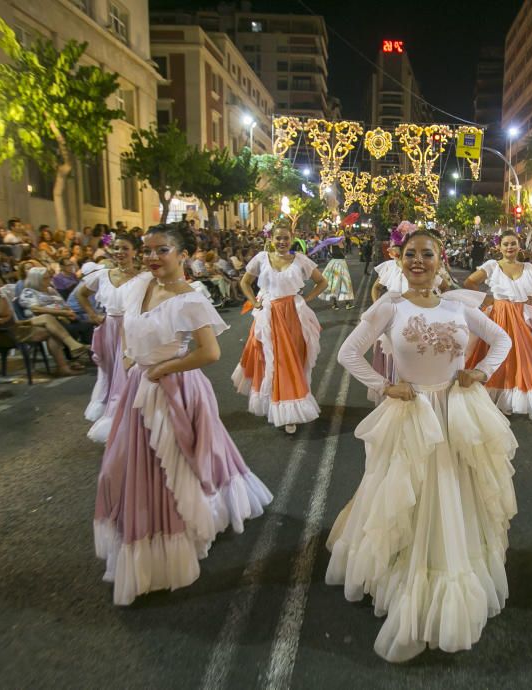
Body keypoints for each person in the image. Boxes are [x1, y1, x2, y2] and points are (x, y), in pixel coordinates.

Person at [327, 230, 516, 662]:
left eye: (426, 254)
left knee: (452, 489)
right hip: (412, 411)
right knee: (403, 488)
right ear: (399, 259)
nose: (418, 261)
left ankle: (444, 570)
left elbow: (503, 340)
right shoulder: (389, 306)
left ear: (440, 259)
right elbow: (349, 353)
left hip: (455, 411)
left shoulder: (458, 304)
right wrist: (384, 385)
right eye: (410, 254)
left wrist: (481, 371)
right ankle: (401, 570)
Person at [94, 222, 272, 606]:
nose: (152, 257)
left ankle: (170, 540)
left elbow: (209, 353)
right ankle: (150, 540)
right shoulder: (139, 286)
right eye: (148, 250)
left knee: (170, 467)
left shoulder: (190, 297)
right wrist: (131, 358)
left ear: (183, 255)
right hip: (139, 387)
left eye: (162, 250)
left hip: (173, 388)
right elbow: (126, 326)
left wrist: (162, 369)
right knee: (123, 466)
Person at [232, 226, 327, 434]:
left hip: (294, 316)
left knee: (292, 360)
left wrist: (305, 299)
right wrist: (254, 303)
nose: (282, 242)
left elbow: (322, 282)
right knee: (272, 361)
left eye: (286, 238)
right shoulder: (260, 258)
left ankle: (290, 408)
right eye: (278, 238)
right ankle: (278, 406)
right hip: (268, 316)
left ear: (292, 238)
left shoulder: (301, 260)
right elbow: (245, 282)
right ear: (271, 238)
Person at [464, 231, 532, 419]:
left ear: (519, 246)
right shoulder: (492, 266)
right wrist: (486, 300)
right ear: (499, 247)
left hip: (519, 317)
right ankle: (488, 395)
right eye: (505, 244)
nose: (509, 247)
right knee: (493, 353)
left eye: (513, 243)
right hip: (498, 316)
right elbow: (470, 281)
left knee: (521, 357)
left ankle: (511, 397)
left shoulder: (528, 268)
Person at [76, 233, 141, 443]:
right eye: (117, 248)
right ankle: (113, 413)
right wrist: (93, 315)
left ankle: (128, 416)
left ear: (135, 251)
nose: (120, 252)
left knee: (128, 372)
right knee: (110, 371)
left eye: (125, 248)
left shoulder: (143, 277)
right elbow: (81, 294)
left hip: (132, 329)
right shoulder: (102, 275)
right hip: (108, 327)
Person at [319, 243, 355, 310]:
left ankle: (335, 304)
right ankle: (347, 304)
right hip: (341, 264)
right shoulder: (341, 245)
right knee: (344, 283)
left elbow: (331, 254)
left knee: (333, 284)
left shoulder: (330, 246)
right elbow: (343, 255)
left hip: (333, 264)